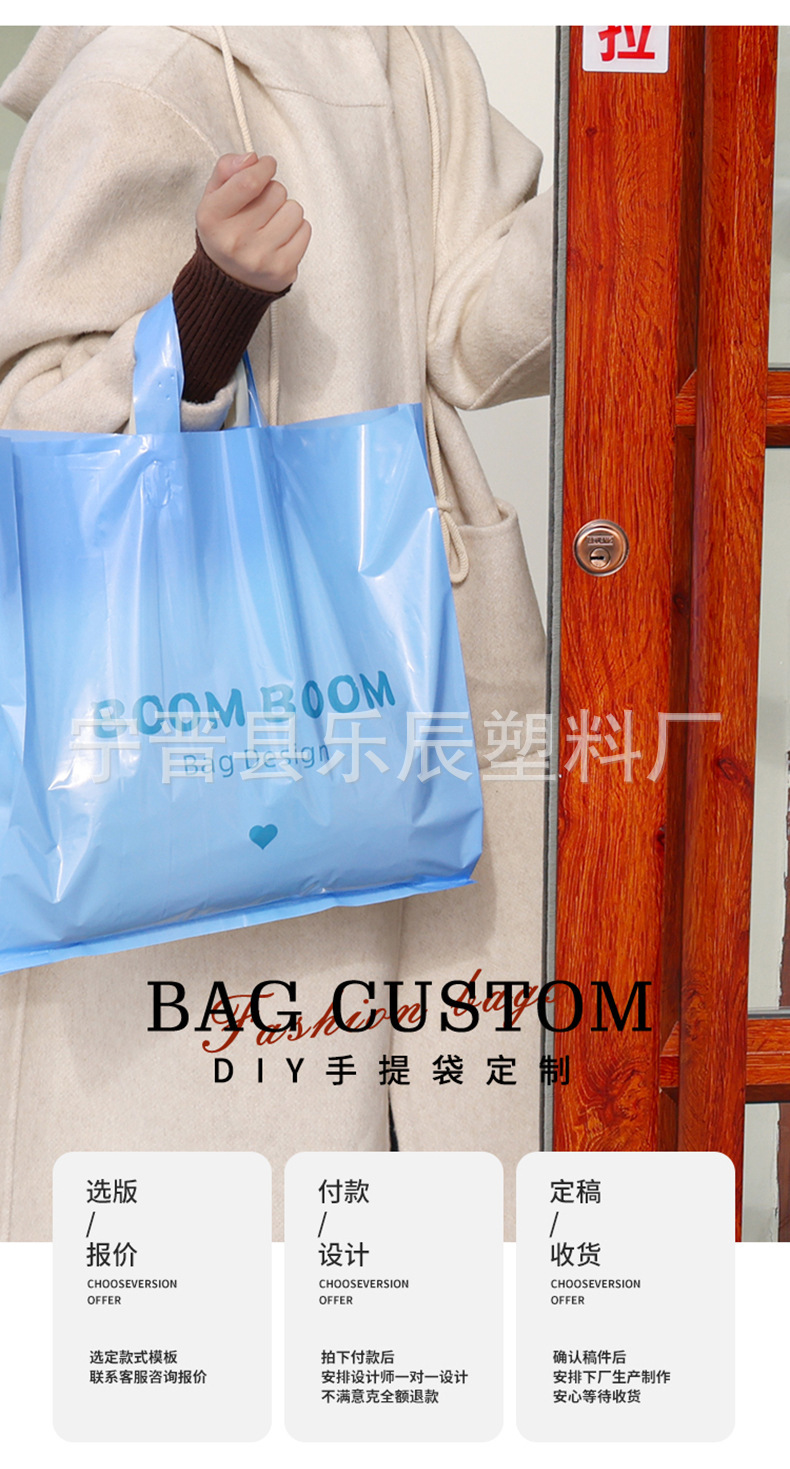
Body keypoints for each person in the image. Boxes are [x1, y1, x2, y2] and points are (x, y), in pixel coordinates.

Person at [0, 25, 552, 1243]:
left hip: (421, 643)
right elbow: (36, 420)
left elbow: (472, 335)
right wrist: (212, 306)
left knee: (431, 1179)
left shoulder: (414, 52)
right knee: (227, 1205)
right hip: (216, 689)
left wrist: (611, 199)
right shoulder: (146, 73)